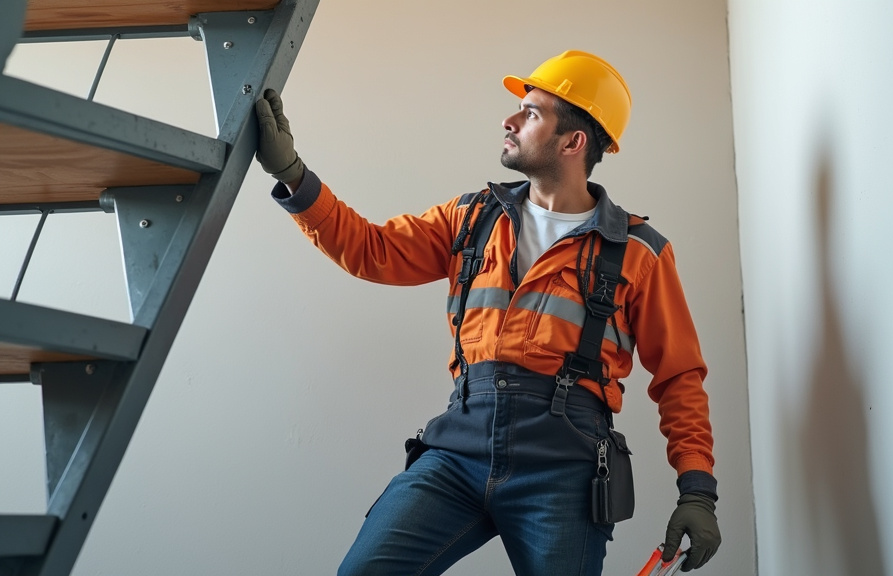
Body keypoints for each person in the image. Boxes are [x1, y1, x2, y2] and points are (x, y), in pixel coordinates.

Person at [254, 50, 721, 575]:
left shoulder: (637, 251)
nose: (510, 120)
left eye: (533, 112)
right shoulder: (472, 218)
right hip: (458, 452)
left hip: (563, 470)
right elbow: (372, 250)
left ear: (574, 142)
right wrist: (292, 175)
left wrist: (697, 491)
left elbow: (679, 376)